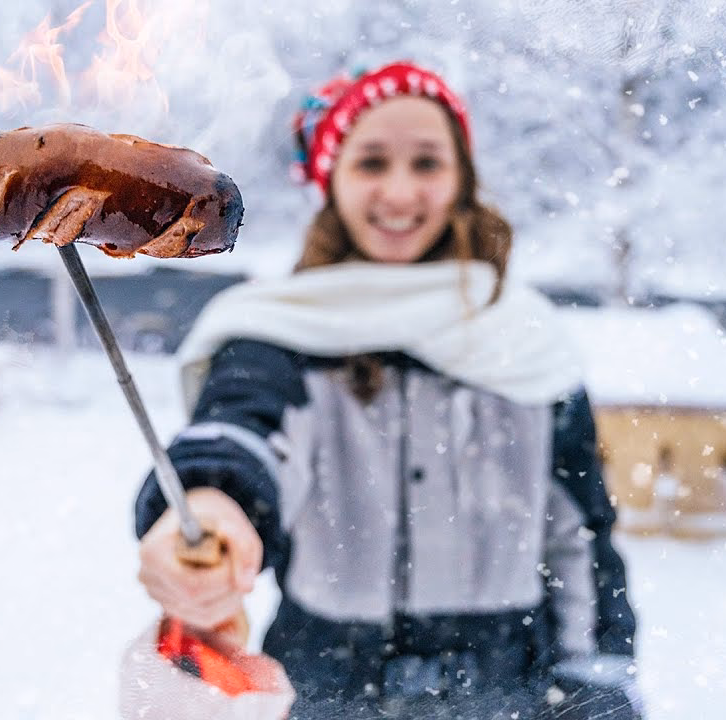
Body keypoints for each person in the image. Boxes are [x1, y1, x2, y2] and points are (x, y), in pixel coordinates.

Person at [133, 60, 642, 719]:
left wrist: (595, 684)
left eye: (427, 162)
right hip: (329, 692)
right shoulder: (283, 331)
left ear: (460, 177)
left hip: (507, 694)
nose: (400, 192)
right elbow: (241, 428)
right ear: (332, 179)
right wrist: (210, 505)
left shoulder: (524, 340)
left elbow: (578, 534)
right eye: (371, 162)